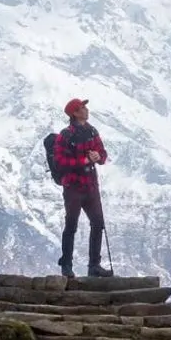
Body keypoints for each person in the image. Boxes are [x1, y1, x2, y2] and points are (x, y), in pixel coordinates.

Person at [54, 97, 113, 278]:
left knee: (98, 223)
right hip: (73, 187)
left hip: (90, 187)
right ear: (75, 113)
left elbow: (103, 154)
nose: (86, 110)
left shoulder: (92, 132)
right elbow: (60, 162)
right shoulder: (65, 135)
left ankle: (94, 265)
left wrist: (98, 156)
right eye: (82, 108)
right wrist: (85, 160)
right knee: (71, 225)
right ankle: (67, 265)